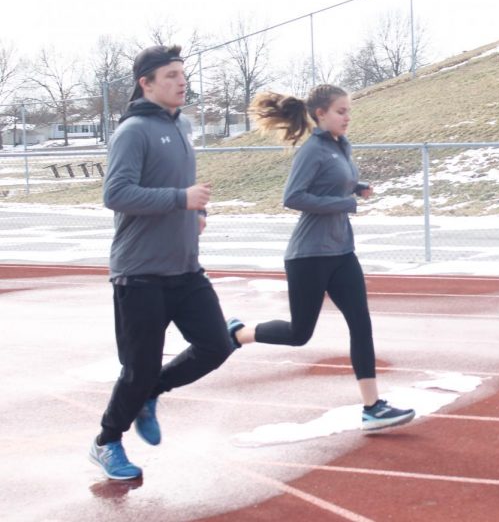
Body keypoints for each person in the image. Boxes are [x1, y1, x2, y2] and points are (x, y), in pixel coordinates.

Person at [227, 85, 415, 431]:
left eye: (348, 111)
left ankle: (372, 406)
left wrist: (355, 188)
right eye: (340, 111)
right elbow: (293, 197)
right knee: (300, 333)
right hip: (309, 255)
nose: (347, 117)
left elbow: (334, 185)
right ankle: (237, 333)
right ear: (320, 114)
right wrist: (345, 203)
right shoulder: (311, 150)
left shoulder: (341, 146)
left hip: (342, 251)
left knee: (361, 324)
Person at [89, 45, 233, 480]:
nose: (181, 81)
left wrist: (196, 211)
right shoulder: (133, 131)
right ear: (146, 83)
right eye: (170, 75)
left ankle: (150, 394)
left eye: (182, 74)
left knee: (217, 345)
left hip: (185, 268)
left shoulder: (182, 124)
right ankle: (106, 441)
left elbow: (179, 185)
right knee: (138, 368)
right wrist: (180, 200)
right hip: (140, 273)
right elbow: (116, 194)